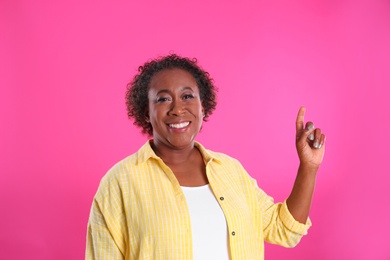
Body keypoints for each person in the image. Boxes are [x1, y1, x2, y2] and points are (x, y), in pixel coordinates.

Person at [86, 54, 326, 260]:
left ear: (203, 107)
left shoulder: (231, 171)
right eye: (163, 99)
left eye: (187, 96)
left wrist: (309, 167)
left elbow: (284, 229)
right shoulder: (119, 182)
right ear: (146, 112)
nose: (177, 109)